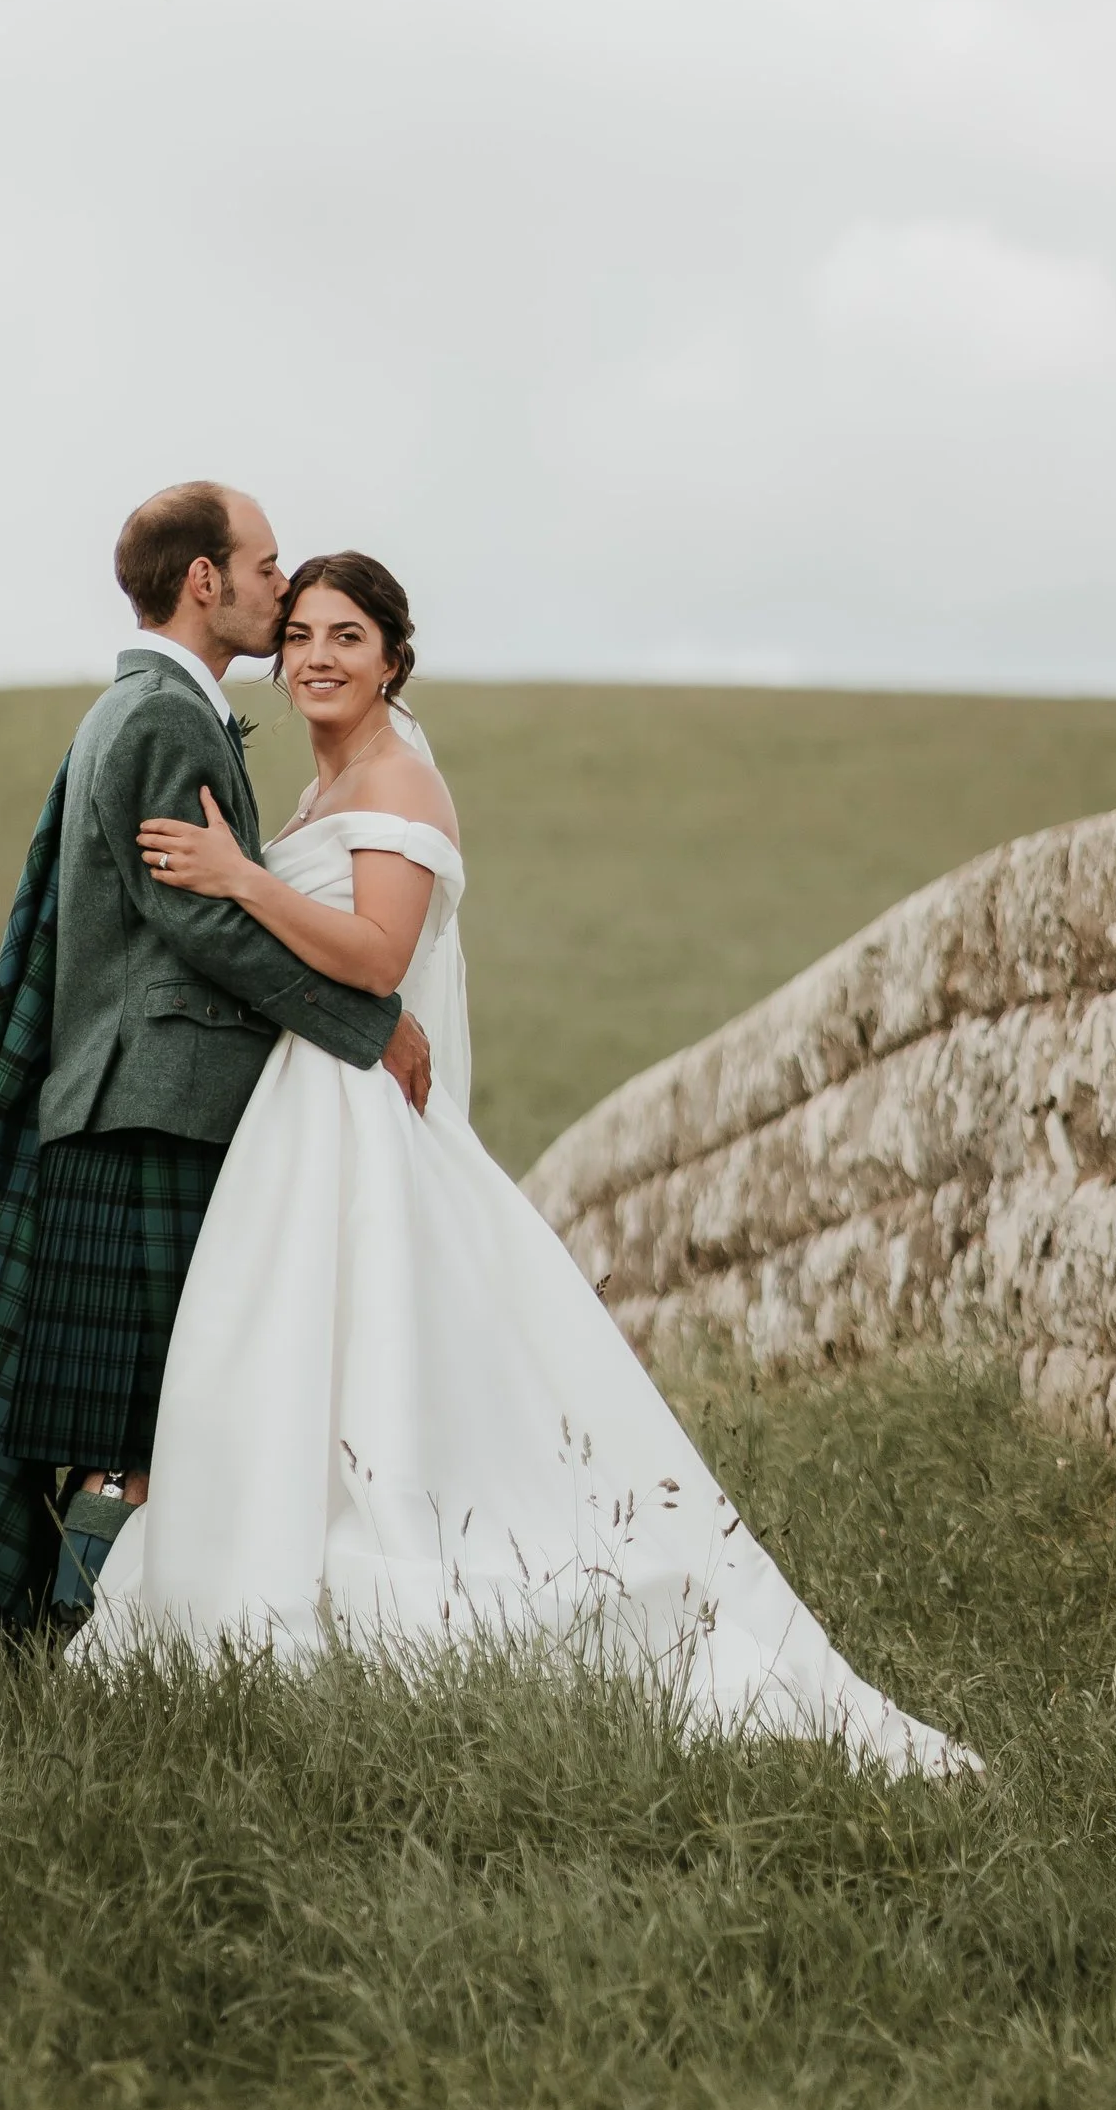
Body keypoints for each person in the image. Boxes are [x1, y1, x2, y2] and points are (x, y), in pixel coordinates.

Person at [71, 549, 976, 1778]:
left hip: (357, 1112)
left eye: (347, 637)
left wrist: (235, 877)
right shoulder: (318, 791)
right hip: (303, 1110)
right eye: (299, 638)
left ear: (395, 656)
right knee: (281, 1348)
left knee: (374, 1348)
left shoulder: (398, 782)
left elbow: (378, 959)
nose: (317, 658)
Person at [0, 484, 430, 1641]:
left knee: (137, 1420)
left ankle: (67, 1643)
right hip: (152, 1104)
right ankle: (67, 1648)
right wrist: (369, 1025)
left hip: (143, 1098)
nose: (278, 588)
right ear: (204, 580)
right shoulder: (160, 719)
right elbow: (196, 923)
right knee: (137, 1430)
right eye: (264, 569)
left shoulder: (155, 709)